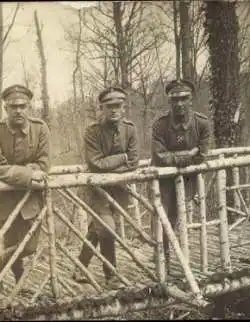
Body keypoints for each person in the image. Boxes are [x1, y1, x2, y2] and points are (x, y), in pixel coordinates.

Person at [0, 84, 50, 290]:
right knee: (10, 240)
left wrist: (23, 171)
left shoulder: (40, 128)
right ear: (6, 108)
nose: (18, 110)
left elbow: (44, 164)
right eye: (13, 107)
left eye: (22, 106)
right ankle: (17, 282)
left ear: (29, 107)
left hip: (31, 198)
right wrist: (29, 173)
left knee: (29, 246)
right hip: (4, 199)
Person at [72, 86, 139, 289]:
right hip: (97, 191)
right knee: (108, 229)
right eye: (109, 106)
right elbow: (95, 164)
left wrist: (117, 164)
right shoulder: (92, 131)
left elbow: (134, 162)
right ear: (101, 108)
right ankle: (111, 276)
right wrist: (122, 158)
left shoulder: (130, 128)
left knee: (98, 228)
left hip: (119, 189)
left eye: (118, 106)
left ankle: (79, 267)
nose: (114, 110)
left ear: (124, 107)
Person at [150, 79, 210, 276]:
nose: (180, 104)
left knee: (176, 218)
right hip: (163, 180)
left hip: (187, 178)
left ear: (191, 100)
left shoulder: (201, 123)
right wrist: (188, 154)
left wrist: (183, 157)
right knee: (162, 218)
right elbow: (160, 156)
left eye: (184, 98)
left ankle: (183, 259)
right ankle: (162, 259)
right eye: (175, 99)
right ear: (170, 101)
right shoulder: (160, 126)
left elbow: (201, 155)